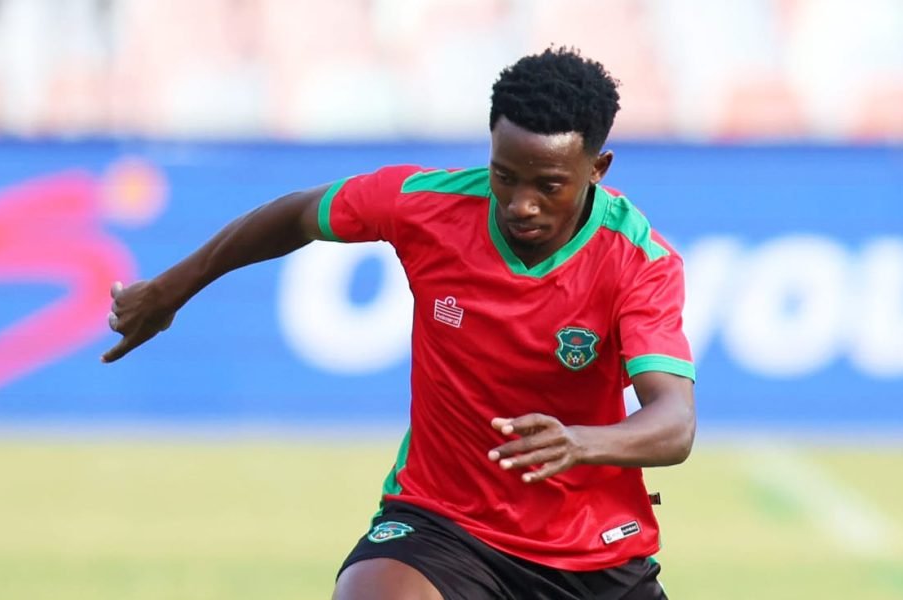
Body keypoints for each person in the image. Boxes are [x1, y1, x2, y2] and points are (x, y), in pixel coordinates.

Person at [103, 47, 696, 600]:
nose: (520, 204)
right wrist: (168, 290)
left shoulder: (638, 261)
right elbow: (297, 214)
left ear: (597, 167)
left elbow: (673, 424)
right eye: (505, 176)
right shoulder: (427, 207)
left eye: (549, 186)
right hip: (444, 525)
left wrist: (580, 442)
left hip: (592, 555)